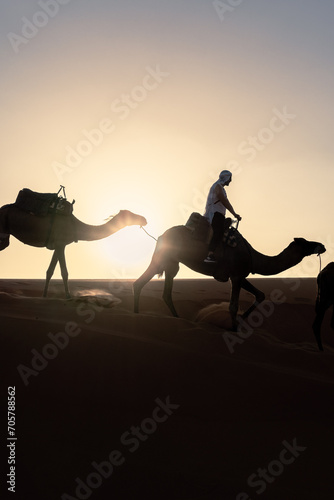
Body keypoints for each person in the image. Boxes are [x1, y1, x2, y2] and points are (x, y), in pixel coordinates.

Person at [203, 170, 241, 262]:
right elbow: (224, 201)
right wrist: (234, 214)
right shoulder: (218, 187)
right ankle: (210, 255)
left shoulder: (220, 187)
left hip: (219, 214)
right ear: (226, 178)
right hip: (215, 214)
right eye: (230, 179)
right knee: (218, 232)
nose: (230, 181)